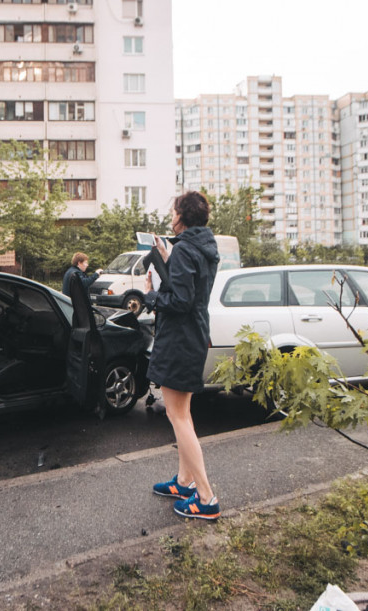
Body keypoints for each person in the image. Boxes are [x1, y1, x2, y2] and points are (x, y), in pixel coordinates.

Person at [143, 191, 221, 520]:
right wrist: (166, 258)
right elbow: (187, 288)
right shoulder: (200, 246)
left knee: (178, 417)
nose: (171, 216)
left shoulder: (186, 248)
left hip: (180, 338)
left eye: (174, 211)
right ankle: (184, 481)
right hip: (193, 335)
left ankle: (205, 498)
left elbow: (180, 300)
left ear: (182, 216)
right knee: (183, 414)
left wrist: (151, 296)